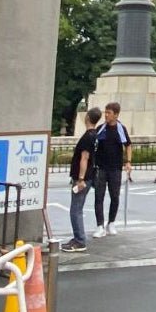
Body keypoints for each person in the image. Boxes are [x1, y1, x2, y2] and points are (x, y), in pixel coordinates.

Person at [62, 107, 101, 253]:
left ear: (87, 118)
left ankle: (79, 240)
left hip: (83, 177)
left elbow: (84, 158)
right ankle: (78, 238)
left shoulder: (87, 137)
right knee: (78, 207)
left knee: (75, 209)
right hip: (91, 175)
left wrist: (80, 178)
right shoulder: (95, 136)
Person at [92, 101, 132, 238]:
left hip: (115, 168)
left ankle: (111, 222)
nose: (106, 115)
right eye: (106, 112)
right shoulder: (101, 129)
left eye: (109, 113)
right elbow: (93, 145)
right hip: (101, 167)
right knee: (99, 196)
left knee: (115, 196)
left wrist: (128, 161)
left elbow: (128, 145)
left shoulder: (121, 129)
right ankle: (99, 225)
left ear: (116, 115)